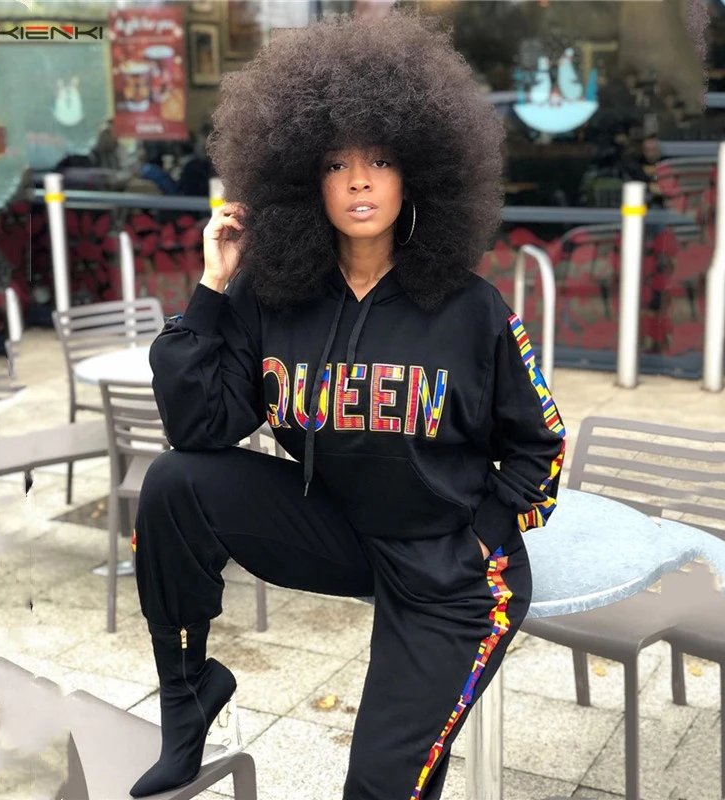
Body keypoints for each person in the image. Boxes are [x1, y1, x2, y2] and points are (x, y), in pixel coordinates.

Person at [130, 11, 566, 800]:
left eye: (380, 160)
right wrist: (213, 286)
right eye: (336, 163)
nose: (359, 180)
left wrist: (480, 538)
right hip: (337, 528)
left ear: (418, 173)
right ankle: (188, 694)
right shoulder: (274, 296)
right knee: (172, 482)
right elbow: (198, 427)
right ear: (305, 180)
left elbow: (542, 448)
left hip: (445, 566)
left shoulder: (471, 308)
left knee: (379, 784)